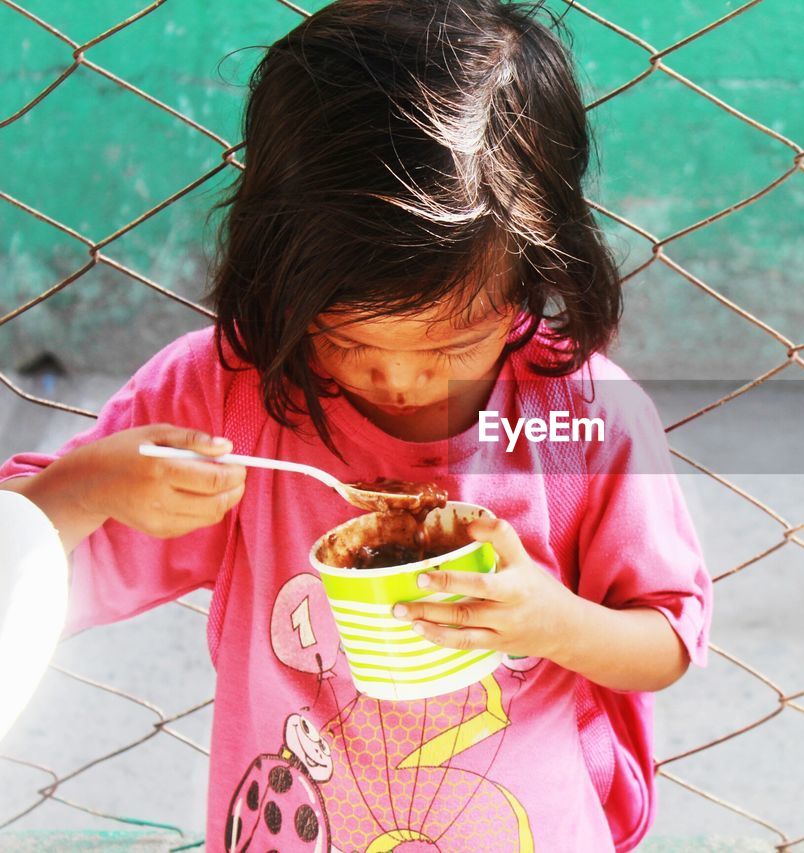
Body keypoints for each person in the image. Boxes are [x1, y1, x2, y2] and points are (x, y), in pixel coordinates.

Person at [0, 2, 712, 850]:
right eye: (347, 341)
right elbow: (30, 573)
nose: (400, 378)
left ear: (539, 268)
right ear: (276, 277)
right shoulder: (230, 395)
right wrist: (86, 487)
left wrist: (550, 619)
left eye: (452, 342)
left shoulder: (581, 421)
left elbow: (667, 639)